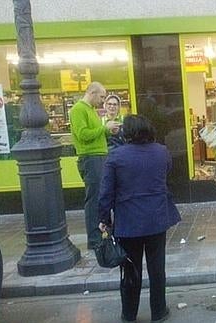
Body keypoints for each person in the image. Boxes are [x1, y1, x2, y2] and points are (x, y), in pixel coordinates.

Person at [98, 115, 181, 322]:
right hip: (156, 218)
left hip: (129, 222)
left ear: (127, 133)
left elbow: (105, 192)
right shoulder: (161, 151)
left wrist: (104, 219)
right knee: (157, 268)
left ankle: (129, 314)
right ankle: (159, 312)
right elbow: (167, 173)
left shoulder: (116, 156)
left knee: (130, 269)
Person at [69, 81, 120, 250]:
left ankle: (103, 233)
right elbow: (83, 134)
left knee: (101, 196)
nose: (102, 100)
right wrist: (104, 129)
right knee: (94, 199)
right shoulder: (78, 110)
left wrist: (107, 130)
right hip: (90, 158)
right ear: (92, 92)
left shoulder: (91, 110)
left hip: (98, 157)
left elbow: (94, 134)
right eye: (102, 96)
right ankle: (94, 239)